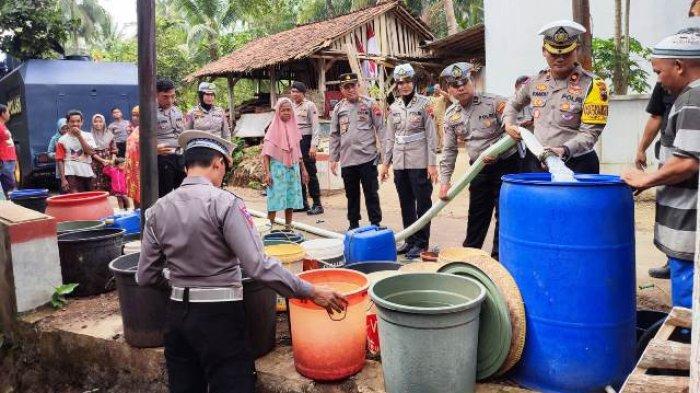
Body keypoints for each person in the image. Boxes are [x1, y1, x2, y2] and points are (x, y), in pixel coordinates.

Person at [136, 130, 346, 393]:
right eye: (224, 167)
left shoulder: (157, 210)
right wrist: (311, 291)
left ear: (187, 165)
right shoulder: (225, 203)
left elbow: (145, 276)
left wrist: (178, 285)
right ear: (218, 163)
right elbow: (257, 265)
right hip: (219, 317)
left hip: (178, 317)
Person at [622, 29, 700, 308]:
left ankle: (686, 344)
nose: (658, 80)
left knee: (687, 301)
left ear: (678, 67)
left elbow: (688, 162)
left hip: (689, 223)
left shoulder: (693, 99)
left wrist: (646, 179)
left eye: (658, 71)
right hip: (687, 217)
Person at [503, 20, 609, 174]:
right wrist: (508, 123)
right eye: (554, 53)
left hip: (577, 163)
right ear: (543, 51)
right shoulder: (534, 82)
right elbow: (513, 103)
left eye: (566, 53)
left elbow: (590, 133)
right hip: (537, 161)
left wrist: (564, 150)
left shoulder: (594, 86)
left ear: (577, 50)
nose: (560, 58)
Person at [439, 62, 518, 260]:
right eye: (455, 85)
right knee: (477, 215)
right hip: (478, 169)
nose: (460, 87)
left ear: (472, 81)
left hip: (506, 167)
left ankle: (498, 260)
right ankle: (469, 258)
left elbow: (515, 131)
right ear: (449, 89)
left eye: (464, 82)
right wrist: (445, 181)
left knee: (504, 216)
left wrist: (496, 152)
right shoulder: (451, 115)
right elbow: (449, 150)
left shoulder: (495, 102)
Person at [380, 64, 438, 259]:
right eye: (400, 82)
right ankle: (410, 239)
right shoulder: (394, 107)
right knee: (406, 203)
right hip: (400, 163)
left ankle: (422, 243)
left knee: (422, 204)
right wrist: (385, 164)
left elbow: (431, 136)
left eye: (407, 82)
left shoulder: (425, 104)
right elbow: (389, 137)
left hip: (419, 162)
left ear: (414, 82)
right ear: (396, 85)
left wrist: (432, 164)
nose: (404, 86)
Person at [329, 73, 384, 230]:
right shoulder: (338, 108)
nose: (351, 89)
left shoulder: (370, 104)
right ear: (341, 89)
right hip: (348, 159)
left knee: (371, 193)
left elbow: (381, 128)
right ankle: (353, 224)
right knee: (351, 195)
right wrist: (333, 158)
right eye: (347, 87)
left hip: (367, 158)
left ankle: (375, 223)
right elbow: (334, 134)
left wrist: (386, 155)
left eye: (353, 86)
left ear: (358, 86)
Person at [262, 98, 309, 229]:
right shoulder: (272, 129)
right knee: (274, 200)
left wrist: (304, 170)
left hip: (293, 168)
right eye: (283, 110)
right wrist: (267, 173)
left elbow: (298, 152)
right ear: (278, 112)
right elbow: (265, 154)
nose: (287, 113)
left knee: (290, 199)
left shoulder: (294, 128)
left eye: (289, 110)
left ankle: (288, 227)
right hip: (277, 168)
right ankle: (268, 228)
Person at [290, 81, 324, 215]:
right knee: (297, 173)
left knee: (310, 172)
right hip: (295, 143)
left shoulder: (310, 105)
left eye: (297, 91)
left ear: (303, 93)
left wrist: (313, 146)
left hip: (306, 141)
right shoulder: (291, 106)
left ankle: (317, 204)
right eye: (292, 91)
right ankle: (303, 203)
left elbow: (316, 127)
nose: (294, 94)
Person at [156, 78, 186, 197]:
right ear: (156, 94)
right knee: (165, 195)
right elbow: (139, 138)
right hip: (163, 159)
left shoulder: (177, 111)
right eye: (165, 96)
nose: (170, 100)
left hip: (180, 157)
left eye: (172, 96)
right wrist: (153, 149)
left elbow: (182, 133)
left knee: (183, 194)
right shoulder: (149, 112)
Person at [56, 110, 96, 193]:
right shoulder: (62, 140)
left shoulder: (88, 136)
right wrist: (63, 179)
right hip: (70, 172)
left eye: (78, 121)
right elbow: (60, 160)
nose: (75, 124)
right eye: (72, 121)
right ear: (67, 122)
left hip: (86, 171)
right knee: (75, 196)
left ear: (82, 122)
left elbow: (90, 152)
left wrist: (79, 136)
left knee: (89, 196)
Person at [90, 114, 118, 192]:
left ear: (104, 123)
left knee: (110, 186)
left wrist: (112, 161)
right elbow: (91, 152)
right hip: (96, 164)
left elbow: (114, 150)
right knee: (98, 187)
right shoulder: (89, 136)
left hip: (109, 163)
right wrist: (102, 160)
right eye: (95, 122)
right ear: (92, 123)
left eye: (100, 121)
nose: (98, 124)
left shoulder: (110, 134)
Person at [48, 118, 70, 190]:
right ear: (59, 128)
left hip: (71, 165)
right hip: (60, 165)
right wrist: (57, 154)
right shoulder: (54, 138)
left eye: (67, 128)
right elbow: (49, 153)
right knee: (63, 187)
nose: (65, 131)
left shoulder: (71, 137)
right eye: (63, 129)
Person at [0, 104, 17, 197]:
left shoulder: (3, 126)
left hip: (9, 160)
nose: (9, 114)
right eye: (7, 112)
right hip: (5, 160)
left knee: (11, 185)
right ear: (2, 113)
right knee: (9, 187)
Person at [428, 83, 450, 153]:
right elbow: (428, 107)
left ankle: (445, 148)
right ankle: (438, 148)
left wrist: (440, 91)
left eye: (437, 89)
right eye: (434, 89)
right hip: (433, 118)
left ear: (440, 89)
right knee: (435, 134)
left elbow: (448, 96)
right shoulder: (430, 98)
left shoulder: (442, 97)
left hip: (442, 118)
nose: (435, 90)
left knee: (442, 133)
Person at [126, 106, 141, 207]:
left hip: (141, 169)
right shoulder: (136, 129)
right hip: (133, 170)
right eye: (133, 115)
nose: (135, 118)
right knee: (135, 195)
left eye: (138, 115)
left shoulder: (149, 130)